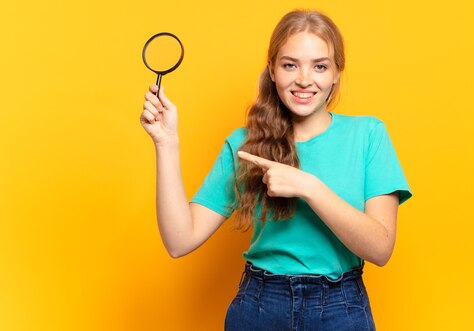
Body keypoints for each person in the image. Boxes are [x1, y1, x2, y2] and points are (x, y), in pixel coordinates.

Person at [140, 9, 411, 331]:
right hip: (260, 306)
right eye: (289, 65)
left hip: (341, 309)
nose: (304, 79)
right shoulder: (245, 144)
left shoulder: (368, 135)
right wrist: (166, 143)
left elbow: (380, 249)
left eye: (320, 66)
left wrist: (309, 187)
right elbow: (179, 240)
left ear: (337, 72)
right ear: (272, 69)